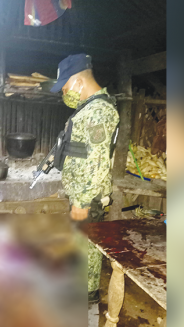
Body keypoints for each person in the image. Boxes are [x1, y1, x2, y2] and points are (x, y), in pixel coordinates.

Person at [50, 53, 119, 302]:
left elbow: (97, 161)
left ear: (78, 81)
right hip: (84, 193)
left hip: (88, 197)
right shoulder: (89, 108)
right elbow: (82, 152)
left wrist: (81, 200)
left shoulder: (98, 112)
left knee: (87, 247)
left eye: (65, 86)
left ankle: (87, 295)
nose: (64, 93)